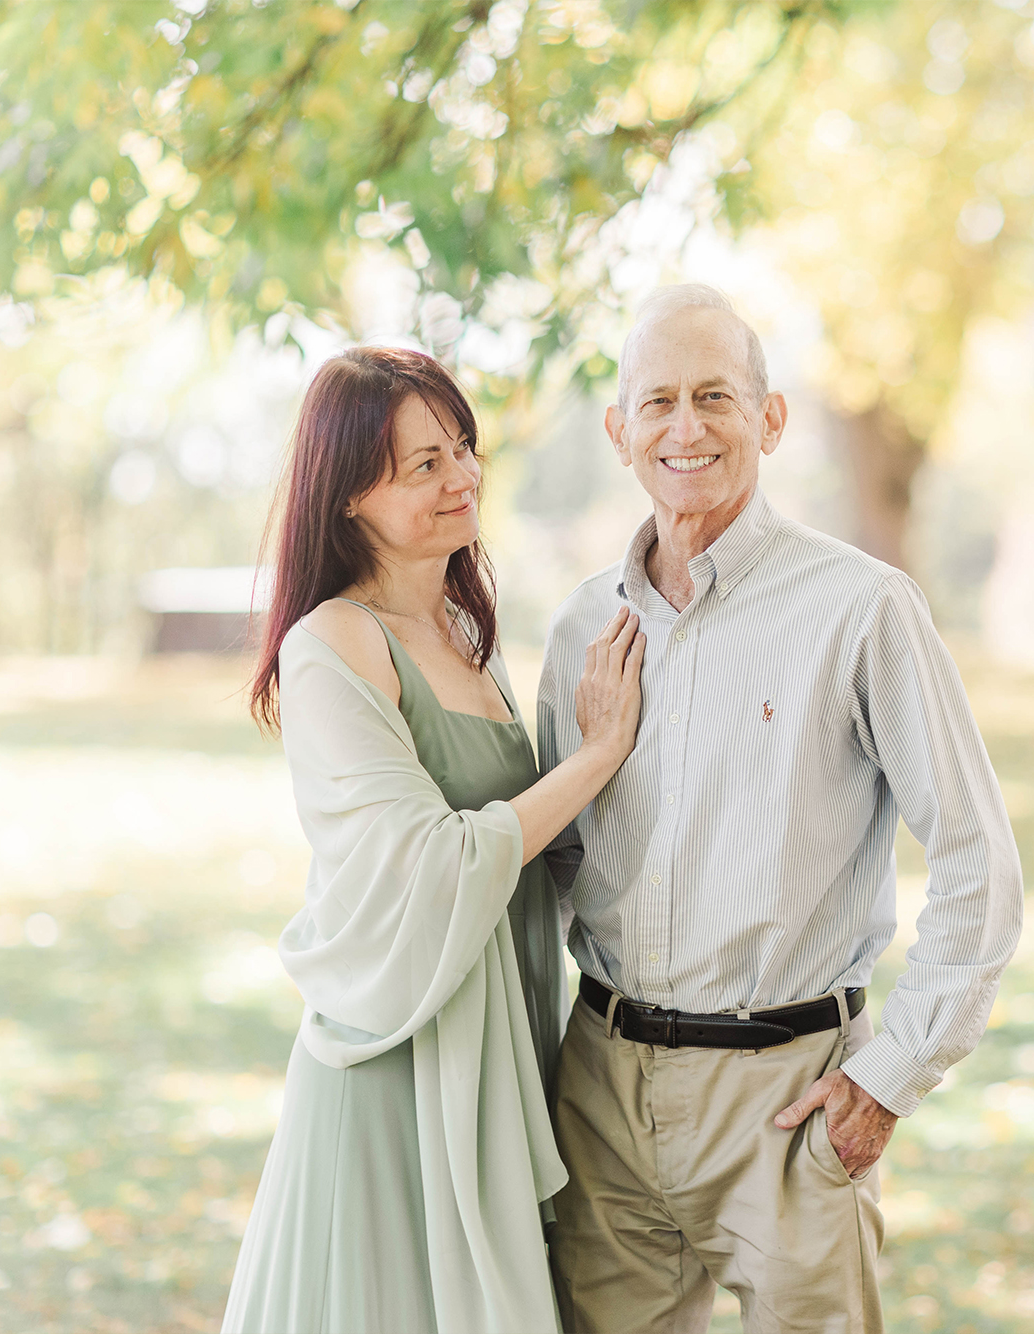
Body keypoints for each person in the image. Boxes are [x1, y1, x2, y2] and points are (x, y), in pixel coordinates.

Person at [536, 284, 1024, 1332]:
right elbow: (554, 858)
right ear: (619, 431)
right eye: (657, 400)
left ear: (770, 417)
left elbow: (978, 859)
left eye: (715, 394)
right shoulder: (582, 625)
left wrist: (889, 1077)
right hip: (600, 1089)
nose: (685, 425)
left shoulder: (861, 608)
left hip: (790, 1100)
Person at [224, 346, 645, 1334]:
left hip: (494, 1054)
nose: (461, 476)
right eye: (423, 464)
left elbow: (529, 850)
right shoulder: (330, 644)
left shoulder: (467, 630)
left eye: (462, 446)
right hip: (392, 1066)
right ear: (347, 496)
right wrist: (595, 755)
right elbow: (436, 861)